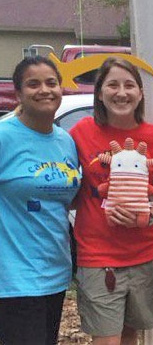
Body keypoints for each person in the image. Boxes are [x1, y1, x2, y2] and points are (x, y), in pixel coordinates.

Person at [70, 57, 153, 345]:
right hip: (98, 258)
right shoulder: (81, 133)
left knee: (132, 336)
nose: (121, 92)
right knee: (107, 340)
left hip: (145, 256)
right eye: (113, 85)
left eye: (129, 85)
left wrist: (151, 214)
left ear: (141, 93)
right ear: (99, 92)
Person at [0, 56, 81, 344]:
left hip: (55, 273)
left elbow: (66, 198)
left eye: (51, 82)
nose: (44, 90)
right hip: (13, 280)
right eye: (33, 84)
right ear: (19, 93)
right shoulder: (4, 137)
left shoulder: (65, 141)